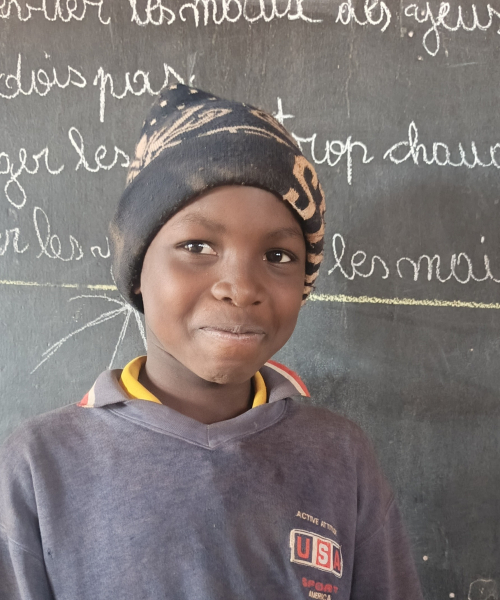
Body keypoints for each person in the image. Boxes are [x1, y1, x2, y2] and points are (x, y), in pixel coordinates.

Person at [0, 84, 424, 600]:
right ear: (137, 269)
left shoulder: (341, 457)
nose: (240, 288)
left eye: (278, 256)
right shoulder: (41, 465)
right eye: (197, 246)